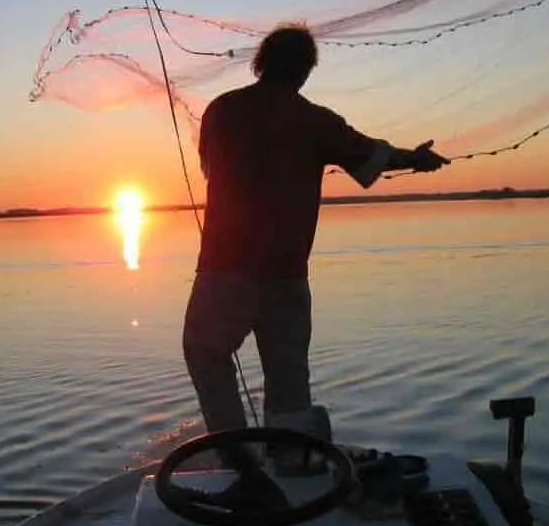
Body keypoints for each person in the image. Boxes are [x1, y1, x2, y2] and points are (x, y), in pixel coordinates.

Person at [183, 24, 448, 437]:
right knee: (289, 382)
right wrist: (416, 158)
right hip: (287, 276)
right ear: (305, 71)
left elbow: (209, 168)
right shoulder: (316, 121)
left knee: (205, 354)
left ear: (261, 62)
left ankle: (236, 455)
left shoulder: (222, 110)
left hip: (224, 271)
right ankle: (290, 458)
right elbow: (372, 155)